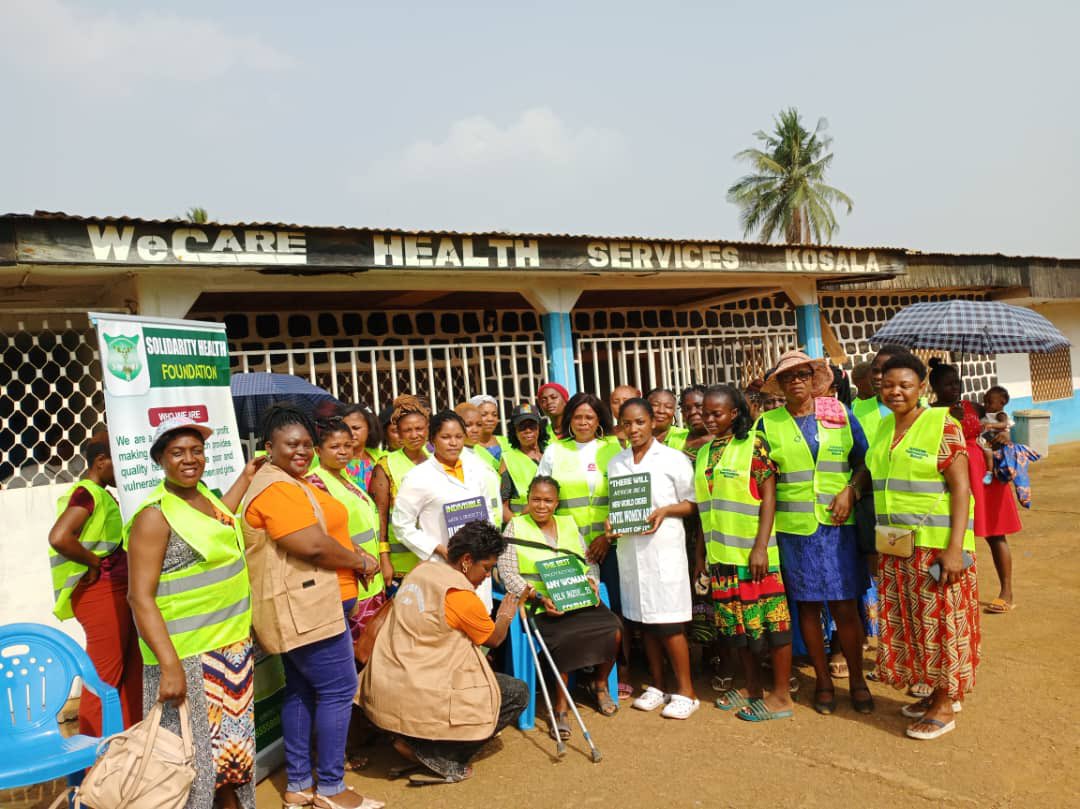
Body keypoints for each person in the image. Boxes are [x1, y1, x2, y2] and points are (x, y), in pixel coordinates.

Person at [240, 405, 383, 809]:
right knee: (339, 689)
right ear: (269, 447)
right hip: (308, 607)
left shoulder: (293, 481)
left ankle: (300, 784)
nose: (302, 451)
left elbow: (321, 532)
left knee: (302, 690)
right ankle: (332, 789)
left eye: (306, 444)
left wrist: (354, 553)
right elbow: (312, 545)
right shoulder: (276, 488)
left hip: (318, 602)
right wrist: (360, 560)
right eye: (292, 444)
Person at [125, 416, 266, 809]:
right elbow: (140, 597)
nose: (190, 459)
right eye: (177, 453)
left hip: (230, 651)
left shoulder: (205, 497)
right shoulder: (154, 516)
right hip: (187, 658)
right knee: (194, 765)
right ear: (160, 460)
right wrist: (169, 665)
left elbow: (221, 520)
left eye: (197, 451)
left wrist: (245, 476)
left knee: (232, 758)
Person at [359, 522, 530, 784]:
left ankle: (410, 737)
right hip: (422, 687)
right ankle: (433, 753)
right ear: (466, 560)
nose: (487, 575)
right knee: (515, 692)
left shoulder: (421, 570)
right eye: (485, 568)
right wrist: (505, 615)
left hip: (384, 681)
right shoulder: (459, 595)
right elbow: (494, 639)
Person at [757, 350, 872, 715]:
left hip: (838, 528)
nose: (796, 381)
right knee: (806, 606)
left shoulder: (838, 413)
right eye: (788, 377)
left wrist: (851, 491)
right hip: (795, 531)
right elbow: (764, 480)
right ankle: (822, 680)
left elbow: (864, 461)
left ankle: (857, 680)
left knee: (844, 606)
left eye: (802, 374)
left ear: (813, 378)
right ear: (780, 385)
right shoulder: (767, 424)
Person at [871, 353, 980, 740]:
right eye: (888, 384)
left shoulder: (941, 425)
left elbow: (961, 488)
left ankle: (946, 703)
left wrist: (954, 549)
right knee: (918, 628)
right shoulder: (884, 428)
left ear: (922, 388)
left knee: (944, 627)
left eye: (905, 385)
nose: (895, 391)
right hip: (898, 547)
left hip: (936, 548)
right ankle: (935, 690)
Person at [694, 385, 795, 723]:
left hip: (755, 558)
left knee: (772, 626)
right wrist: (702, 557)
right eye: (704, 413)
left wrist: (761, 547)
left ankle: (781, 696)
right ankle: (752, 688)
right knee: (738, 629)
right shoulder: (706, 451)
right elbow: (704, 510)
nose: (708, 419)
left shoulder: (753, 445)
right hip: (722, 558)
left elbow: (769, 498)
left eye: (716, 414)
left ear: (734, 413)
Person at [498, 476, 622, 735]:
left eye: (547, 500)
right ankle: (561, 708)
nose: (541, 505)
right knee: (565, 639)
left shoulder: (568, 524)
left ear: (556, 503)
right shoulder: (515, 527)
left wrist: (591, 580)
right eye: (535, 499)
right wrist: (537, 597)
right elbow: (508, 573)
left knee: (614, 629)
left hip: (577, 598)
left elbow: (588, 561)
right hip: (542, 604)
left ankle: (599, 685)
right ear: (528, 500)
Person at [609, 398, 699, 719]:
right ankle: (659, 687)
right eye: (626, 423)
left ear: (652, 423)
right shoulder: (616, 462)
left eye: (639, 423)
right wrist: (613, 523)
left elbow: (692, 503)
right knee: (644, 623)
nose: (633, 429)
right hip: (631, 552)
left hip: (664, 549)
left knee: (669, 623)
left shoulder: (673, 459)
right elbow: (619, 505)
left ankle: (686, 692)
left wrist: (665, 510)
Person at [48, 430, 142, 735]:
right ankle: (92, 760)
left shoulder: (100, 494)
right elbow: (59, 537)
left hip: (116, 591)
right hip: (100, 593)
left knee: (130, 671)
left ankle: (125, 747)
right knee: (105, 675)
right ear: (101, 461)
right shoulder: (86, 493)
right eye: (119, 463)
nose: (124, 472)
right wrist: (91, 561)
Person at [928, 361, 1021, 613]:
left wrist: (1006, 433)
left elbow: (999, 418)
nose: (954, 388)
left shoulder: (971, 405)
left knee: (994, 533)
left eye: (956, 382)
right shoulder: (927, 412)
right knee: (950, 536)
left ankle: (1007, 591)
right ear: (934, 386)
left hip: (982, 474)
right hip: (950, 476)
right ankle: (952, 596)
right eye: (948, 384)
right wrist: (945, 419)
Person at [390, 411, 503, 610]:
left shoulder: (475, 471)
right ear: (432, 439)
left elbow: (488, 513)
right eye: (446, 437)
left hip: (476, 563)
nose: (453, 443)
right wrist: (439, 549)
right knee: (449, 624)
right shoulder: (418, 477)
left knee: (479, 622)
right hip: (442, 566)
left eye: (459, 437)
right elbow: (401, 525)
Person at [536, 392, 623, 613]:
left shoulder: (614, 448)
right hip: (570, 547)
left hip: (612, 545)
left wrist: (606, 538)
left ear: (599, 420)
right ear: (569, 420)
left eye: (589, 417)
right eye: (577, 417)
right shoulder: (555, 450)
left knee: (618, 607)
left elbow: (624, 497)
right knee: (580, 609)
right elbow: (542, 494)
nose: (583, 423)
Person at [307, 418, 387, 637]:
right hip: (350, 579)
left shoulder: (345, 477)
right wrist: (360, 558)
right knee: (359, 652)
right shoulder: (315, 483)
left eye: (347, 446)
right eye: (334, 447)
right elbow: (323, 532)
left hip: (371, 579)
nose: (342, 452)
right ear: (318, 450)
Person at [370, 395, 430, 585]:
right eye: (407, 430)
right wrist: (384, 558)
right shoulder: (386, 465)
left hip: (435, 559)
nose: (414, 435)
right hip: (402, 565)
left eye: (419, 428)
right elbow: (381, 516)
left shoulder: (437, 461)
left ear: (428, 428)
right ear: (398, 433)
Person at [498, 402, 546, 523]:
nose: (528, 430)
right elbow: (502, 506)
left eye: (532, 426)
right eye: (522, 427)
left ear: (539, 428)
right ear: (514, 431)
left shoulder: (550, 454)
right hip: (523, 527)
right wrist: (518, 527)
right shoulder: (509, 459)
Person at [340, 404, 384, 492]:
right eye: (345, 428)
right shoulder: (333, 460)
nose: (350, 433)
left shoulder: (382, 458)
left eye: (356, 428)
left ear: (370, 428)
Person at [469, 394, 505, 472]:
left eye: (494, 415)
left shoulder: (507, 442)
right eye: (484, 415)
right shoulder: (468, 448)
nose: (490, 419)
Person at [678, 385, 711, 458]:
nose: (692, 412)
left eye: (699, 406)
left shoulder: (725, 441)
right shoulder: (675, 440)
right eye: (687, 408)